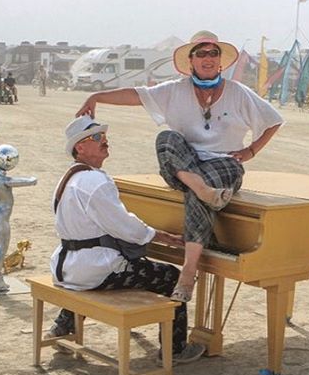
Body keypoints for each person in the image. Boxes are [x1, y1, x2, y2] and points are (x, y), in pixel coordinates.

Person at [76, 30, 283, 303]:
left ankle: (188, 271)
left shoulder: (238, 93)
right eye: (201, 53)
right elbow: (136, 95)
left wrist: (251, 150)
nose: (208, 58)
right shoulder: (174, 90)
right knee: (167, 138)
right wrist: (96, 96)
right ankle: (198, 189)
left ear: (220, 61)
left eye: (213, 53)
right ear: (191, 61)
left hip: (224, 167)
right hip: (182, 167)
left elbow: (273, 120)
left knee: (203, 183)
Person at [46, 115, 206, 365]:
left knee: (121, 266)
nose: (105, 141)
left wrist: (146, 236)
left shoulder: (70, 176)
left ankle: (63, 326)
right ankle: (175, 350)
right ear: (80, 147)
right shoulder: (95, 181)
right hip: (90, 269)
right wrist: (162, 236)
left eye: (105, 136)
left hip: (66, 266)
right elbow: (126, 227)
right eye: (97, 137)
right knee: (172, 277)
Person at [0, 144, 37, 292]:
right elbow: (19, 181)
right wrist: (32, 180)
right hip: (1, 217)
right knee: (1, 248)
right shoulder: (4, 181)